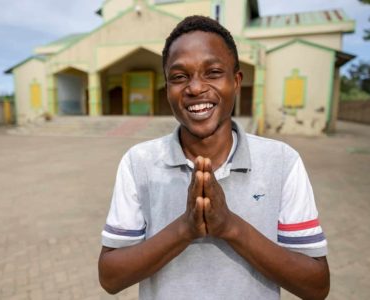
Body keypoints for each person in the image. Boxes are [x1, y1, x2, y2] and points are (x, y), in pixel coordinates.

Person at [98, 15, 330, 300]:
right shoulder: (139, 163)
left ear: (236, 81)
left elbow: (317, 285)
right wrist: (185, 228)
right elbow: (110, 277)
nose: (195, 88)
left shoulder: (282, 161)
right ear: (168, 88)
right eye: (179, 77)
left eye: (213, 72)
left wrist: (230, 226)